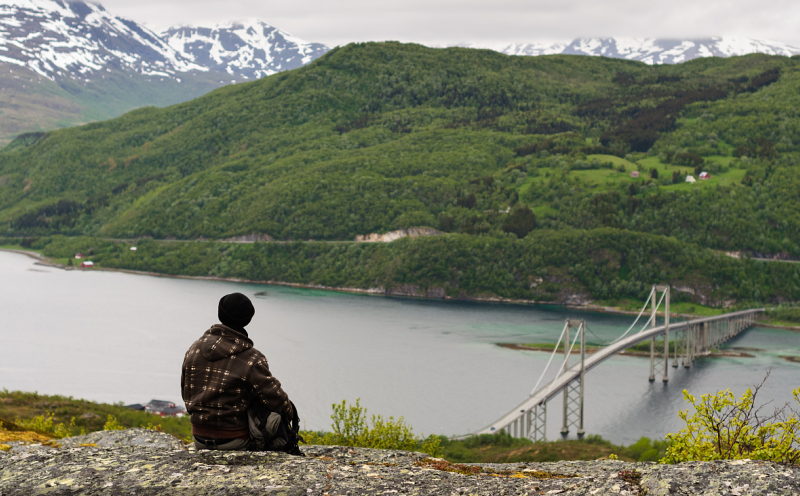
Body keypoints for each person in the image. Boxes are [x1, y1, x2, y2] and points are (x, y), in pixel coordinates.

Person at [181, 292, 297, 452]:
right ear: (247, 319)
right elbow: (276, 398)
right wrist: (291, 414)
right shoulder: (251, 358)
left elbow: (186, 394)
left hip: (199, 438)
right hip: (236, 441)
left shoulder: (194, 349)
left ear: (220, 313)